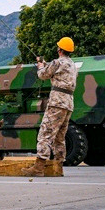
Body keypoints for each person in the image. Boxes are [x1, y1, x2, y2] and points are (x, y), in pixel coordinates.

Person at [21, 37, 77, 177]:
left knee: (45, 133)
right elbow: (56, 71)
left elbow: (43, 75)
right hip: (68, 103)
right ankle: (58, 167)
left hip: (57, 102)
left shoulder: (57, 62)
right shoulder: (72, 65)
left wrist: (40, 66)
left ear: (60, 50)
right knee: (60, 136)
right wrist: (45, 63)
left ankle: (39, 167)